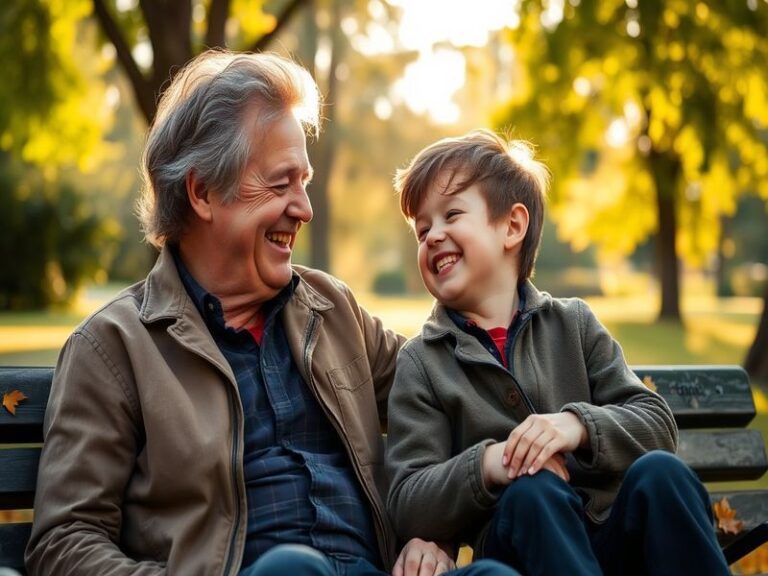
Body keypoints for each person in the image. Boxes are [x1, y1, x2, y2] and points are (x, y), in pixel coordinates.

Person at [24, 52, 518, 576]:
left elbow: (453, 401)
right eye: (281, 184)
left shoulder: (334, 310)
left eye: (304, 183)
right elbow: (64, 540)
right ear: (202, 192)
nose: (304, 208)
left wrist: (430, 530)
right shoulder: (115, 347)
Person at [386, 129, 731, 575]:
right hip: (523, 547)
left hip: (610, 543)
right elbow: (410, 499)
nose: (433, 236)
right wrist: (493, 463)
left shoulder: (573, 324)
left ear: (512, 226)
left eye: (451, 215)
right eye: (422, 228)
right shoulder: (425, 361)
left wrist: (577, 426)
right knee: (533, 491)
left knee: (661, 474)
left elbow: (656, 425)